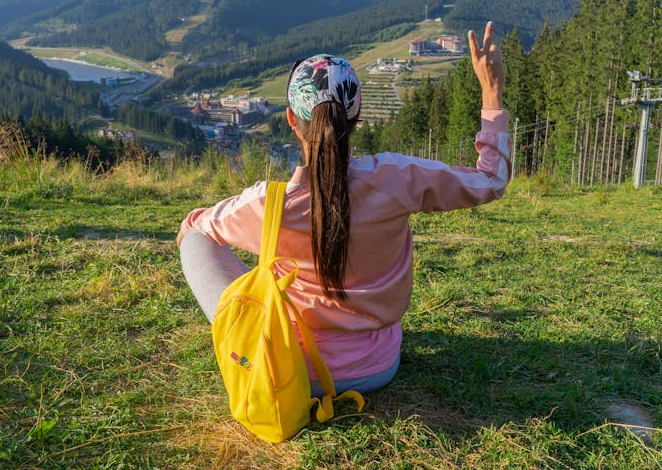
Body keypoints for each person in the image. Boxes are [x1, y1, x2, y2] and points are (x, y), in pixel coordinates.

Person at [177, 21, 510, 396]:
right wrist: (491, 92)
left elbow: (196, 227)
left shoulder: (268, 203)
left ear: (291, 120)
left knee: (195, 241)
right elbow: (491, 181)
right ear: (357, 116)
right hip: (378, 369)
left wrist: (211, 235)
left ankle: (246, 347)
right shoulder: (398, 178)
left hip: (291, 371)